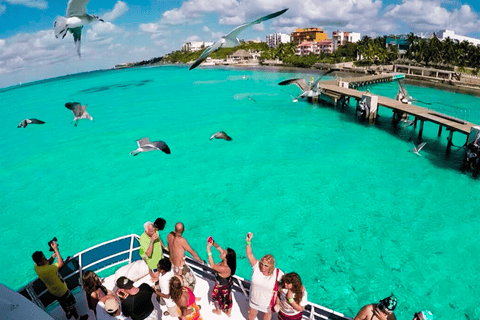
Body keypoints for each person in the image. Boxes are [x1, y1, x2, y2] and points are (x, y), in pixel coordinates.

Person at [32, 241, 88, 320]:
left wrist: (54, 255)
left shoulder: (37, 267)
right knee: (71, 304)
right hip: (62, 290)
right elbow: (61, 264)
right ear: (40, 260)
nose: (45, 258)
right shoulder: (49, 269)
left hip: (53, 291)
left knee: (62, 302)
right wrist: (56, 250)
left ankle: (68, 313)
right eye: (43, 257)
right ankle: (78, 317)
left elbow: (47, 262)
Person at [245, 232, 284, 320]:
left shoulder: (277, 273)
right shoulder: (256, 267)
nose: (263, 267)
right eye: (262, 264)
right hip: (254, 301)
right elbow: (249, 255)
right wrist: (248, 242)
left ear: (271, 266)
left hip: (267, 305)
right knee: (250, 317)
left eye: (266, 265)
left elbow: (289, 281)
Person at [167, 222, 203, 291]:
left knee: (180, 283)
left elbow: (169, 247)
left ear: (174, 229)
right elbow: (192, 252)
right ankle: (189, 298)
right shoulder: (182, 241)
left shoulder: (169, 235)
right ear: (184, 229)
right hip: (180, 267)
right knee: (192, 281)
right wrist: (201, 261)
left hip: (172, 264)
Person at [206, 238, 236, 316]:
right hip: (226, 284)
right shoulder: (226, 262)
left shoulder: (225, 268)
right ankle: (228, 313)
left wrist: (209, 250)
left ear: (226, 258)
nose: (222, 252)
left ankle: (218, 311)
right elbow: (219, 247)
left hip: (221, 285)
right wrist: (213, 243)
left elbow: (212, 265)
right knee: (227, 299)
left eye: (224, 252)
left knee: (217, 298)